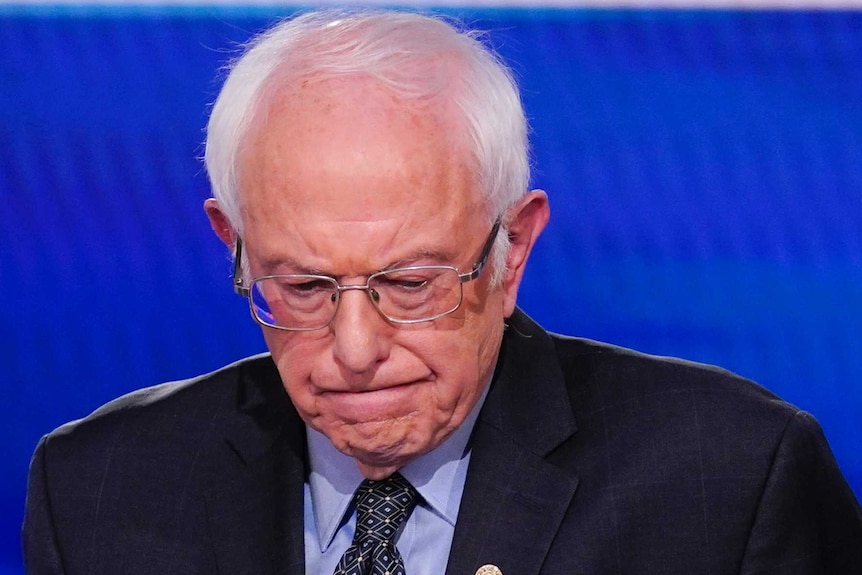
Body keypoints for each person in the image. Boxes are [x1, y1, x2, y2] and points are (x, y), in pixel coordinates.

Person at [23, 8, 862, 575]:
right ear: (232, 245)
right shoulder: (98, 489)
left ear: (514, 249)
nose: (354, 350)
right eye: (304, 285)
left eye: (411, 282)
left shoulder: (731, 481)